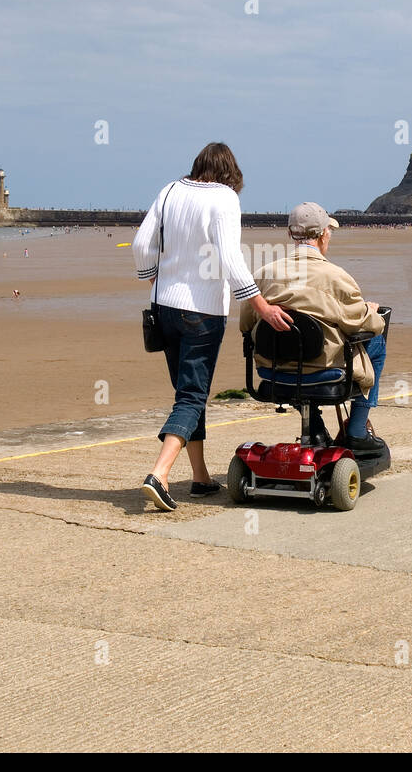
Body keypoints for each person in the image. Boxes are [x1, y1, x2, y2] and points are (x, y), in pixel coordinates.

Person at [133, 143, 291, 512]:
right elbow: (230, 257)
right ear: (231, 172)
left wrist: (152, 277)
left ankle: (201, 478)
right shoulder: (225, 199)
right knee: (191, 395)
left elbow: (142, 242)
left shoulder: (169, 190)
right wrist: (261, 306)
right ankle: (159, 474)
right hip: (202, 311)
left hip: (164, 306)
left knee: (189, 392)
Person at [239, 202, 388, 455]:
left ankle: (315, 426)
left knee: (292, 350)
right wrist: (371, 312)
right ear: (323, 234)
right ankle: (357, 430)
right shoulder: (336, 276)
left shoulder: (264, 274)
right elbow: (368, 325)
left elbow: (246, 324)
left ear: (290, 234)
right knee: (376, 343)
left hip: (273, 370)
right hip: (324, 370)